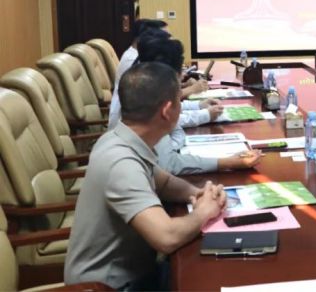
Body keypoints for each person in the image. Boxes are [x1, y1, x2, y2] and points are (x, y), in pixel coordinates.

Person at [64, 62, 227, 290]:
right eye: (179, 102)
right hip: (110, 286)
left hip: (136, 271)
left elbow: (164, 183)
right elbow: (166, 237)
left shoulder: (122, 138)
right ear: (167, 111)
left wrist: (199, 194)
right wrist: (203, 212)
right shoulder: (121, 163)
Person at [111, 36, 263, 174]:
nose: (184, 74)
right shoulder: (149, 109)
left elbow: (166, 171)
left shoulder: (145, 87)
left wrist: (197, 108)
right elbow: (170, 165)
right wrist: (229, 162)